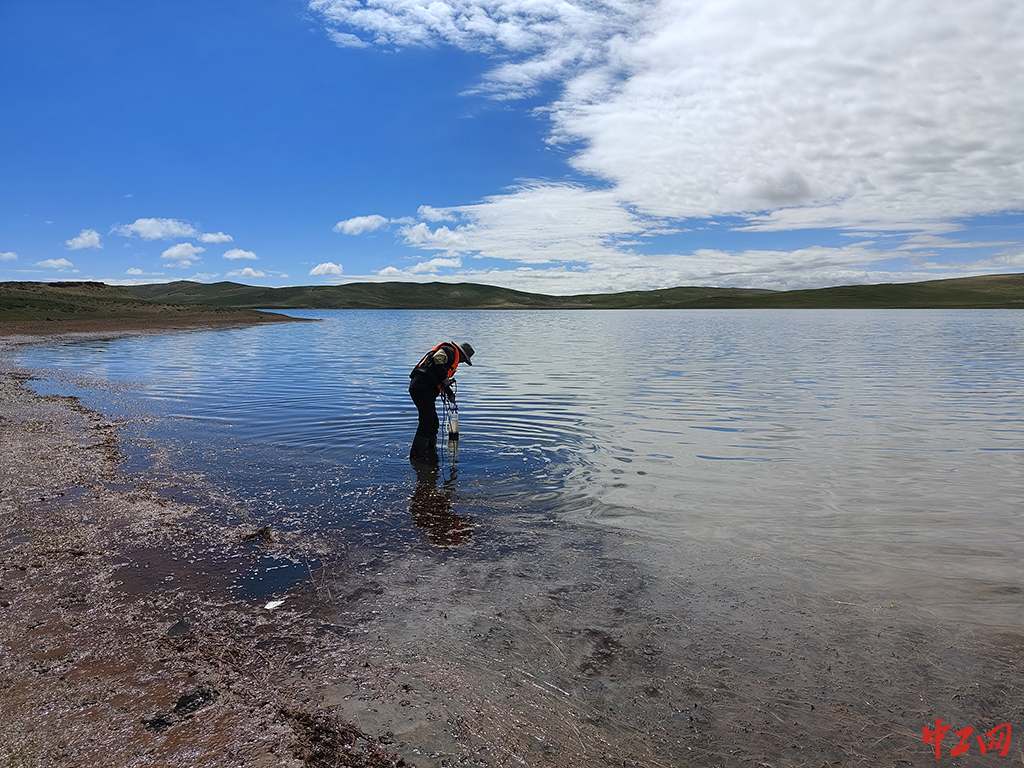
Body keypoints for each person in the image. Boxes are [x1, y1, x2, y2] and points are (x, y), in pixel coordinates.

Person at [408, 341, 474, 461]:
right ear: (462, 354)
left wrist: (449, 393)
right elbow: (437, 358)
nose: (462, 362)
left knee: (433, 423)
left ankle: (430, 452)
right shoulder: (449, 351)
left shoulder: (451, 354)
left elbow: (439, 374)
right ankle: (417, 457)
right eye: (464, 359)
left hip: (422, 387)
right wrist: (445, 379)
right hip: (422, 387)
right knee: (427, 422)